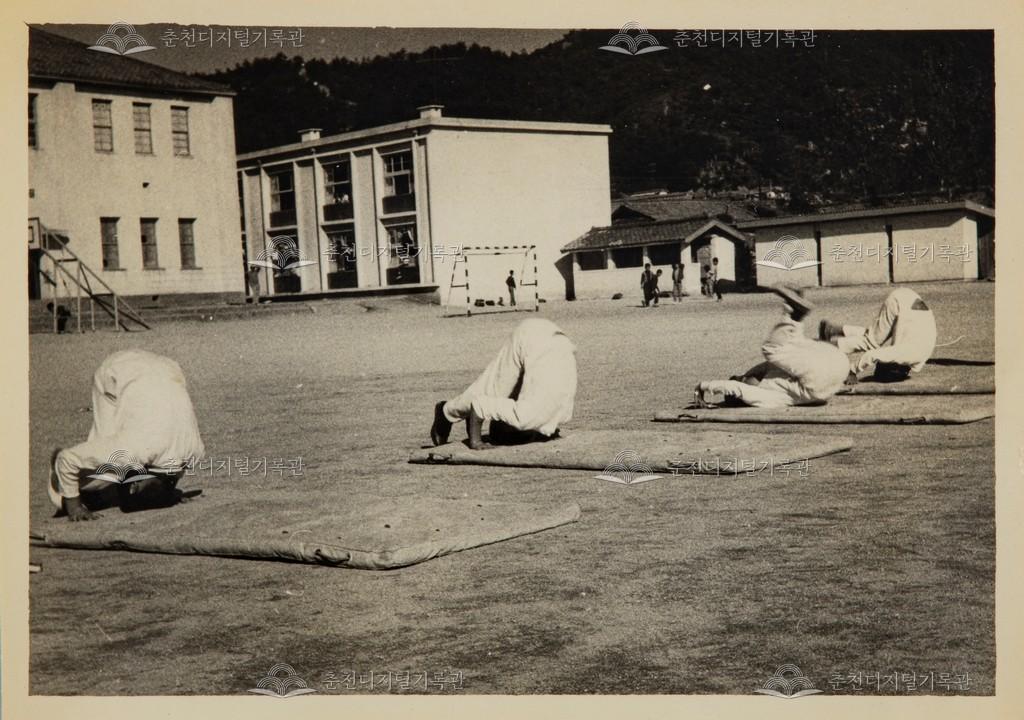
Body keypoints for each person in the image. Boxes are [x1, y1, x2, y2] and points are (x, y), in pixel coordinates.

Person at [48, 349, 205, 521]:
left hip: (167, 367)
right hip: (115, 372)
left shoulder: (195, 453)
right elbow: (67, 459)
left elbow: (169, 477)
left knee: (115, 468)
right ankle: (65, 478)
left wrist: (169, 496)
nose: (132, 488)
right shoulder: (134, 449)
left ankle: (90, 478)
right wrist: (74, 506)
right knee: (103, 474)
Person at [430, 318, 577, 449]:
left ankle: (455, 411)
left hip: (552, 336)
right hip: (532, 338)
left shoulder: (558, 416)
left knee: (499, 388)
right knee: (494, 389)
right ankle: (446, 412)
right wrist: (475, 442)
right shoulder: (525, 417)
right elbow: (479, 405)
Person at [694, 286, 849, 408]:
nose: (748, 378)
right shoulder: (765, 398)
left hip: (836, 365)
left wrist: (744, 377)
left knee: (791, 347)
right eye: (744, 379)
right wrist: (703, 387)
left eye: (743, 377)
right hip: (825, 377)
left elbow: (758, 371)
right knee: (772, 350)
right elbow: (738, 388)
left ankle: (795, 313)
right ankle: (794, 315)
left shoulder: (769, 377)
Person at [819, 287, 937, 382]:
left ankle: (832, 330)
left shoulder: (916, 360)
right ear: (894, 364)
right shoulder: (904, 355)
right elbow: (872, 355)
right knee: (872, 343)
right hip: (900, 302)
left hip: (909, 300)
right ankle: (824, 347)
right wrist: (852, 371)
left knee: (875, 336)